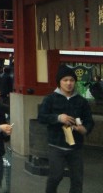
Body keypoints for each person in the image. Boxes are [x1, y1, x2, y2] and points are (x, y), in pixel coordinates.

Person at [38, 64, 95, 193]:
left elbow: (89, 121)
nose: (69, 83)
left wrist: (85, 129)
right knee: (55, 176)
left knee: (77, 180)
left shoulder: (81, 101)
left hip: (76, 147)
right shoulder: (50, 99)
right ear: (59, 82)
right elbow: (41, 117)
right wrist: (58, 118)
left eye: (72, 80)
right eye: (65, 80)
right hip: (56, 145)